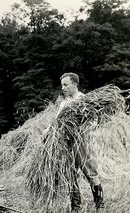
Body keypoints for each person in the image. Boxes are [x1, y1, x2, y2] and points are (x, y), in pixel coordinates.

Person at [44, 73, 104, 212]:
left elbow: (94, 121)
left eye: (66, 84)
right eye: (62, 85)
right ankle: (75, 207)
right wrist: (48, 131)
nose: (63, 88)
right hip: (67, 143)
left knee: (90, 173)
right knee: (69, 174)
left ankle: (100, 205)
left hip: (82, 142)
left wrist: (82, 129)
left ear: (74, 85)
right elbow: (56, 121)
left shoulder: (83, 100)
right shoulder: (64, 102)